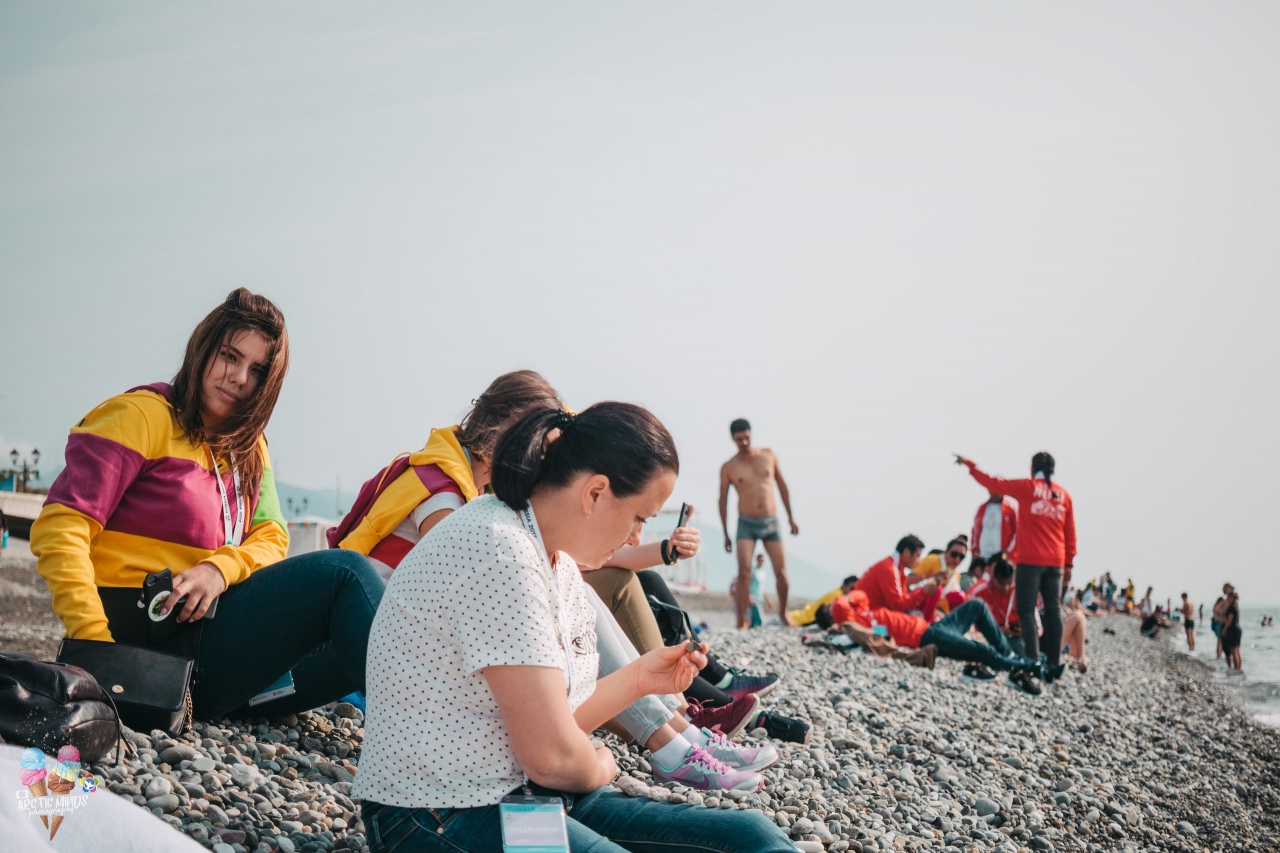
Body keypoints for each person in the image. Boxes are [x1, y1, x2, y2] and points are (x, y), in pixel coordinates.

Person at [353, 402, 796, 852]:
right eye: (640, 517)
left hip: (524, 798)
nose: (635, 538)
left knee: (753, 837)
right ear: (595, 493)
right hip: (439, 813)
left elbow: (557, 723)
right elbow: (553, 758)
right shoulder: (502, 551)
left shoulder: (555, 560)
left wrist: (641, 678)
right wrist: (601, 767)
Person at [31, 289, 383, 718]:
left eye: (256, 370)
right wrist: (95, 645)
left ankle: (436, 729)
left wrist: (219, 569)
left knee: (362, 626)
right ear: (203, 348)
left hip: (207, 638)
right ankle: (422, 736)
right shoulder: (139, 416)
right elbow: (60, 528)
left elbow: (271, 535)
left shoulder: (251, 449)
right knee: (345, 574)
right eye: (229, 356)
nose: (237, 377)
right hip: (139, 634)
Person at [956, 451, 1076, 691]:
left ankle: (1032, 661)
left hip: (1030, 560)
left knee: (1027, 609)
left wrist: (970, 464)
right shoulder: (1064, 495)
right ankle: (1053, 664)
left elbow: (993, 483)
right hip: (1055, 560)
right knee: (1053, 609)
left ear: (1033, 469)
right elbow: (1070, 532)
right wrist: (1069, 563)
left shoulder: (1027, 487)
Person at [829, 590, 1040, 691]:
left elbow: (862, 596)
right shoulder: (850, 623)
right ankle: (1027, 667)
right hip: (928, 638)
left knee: (977, 605)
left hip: (933, 627)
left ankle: (1009, 655)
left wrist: (851, 598)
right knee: (981, 651)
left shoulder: (863, 612)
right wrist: (844, 601)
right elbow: (840, 604)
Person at [719, 418, 799, 628]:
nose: (743, 442)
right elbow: (723, 501)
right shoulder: (729, 467)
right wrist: (726, 533)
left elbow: (782, 486)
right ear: (732, 439)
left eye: (746, 437)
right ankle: (740, 620)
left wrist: (791, 517)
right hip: (746, 523)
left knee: (781, 573)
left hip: (771, 522)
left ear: (751, 434)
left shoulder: (768, 455)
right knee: (744, 572)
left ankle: (783, 613)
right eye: (739, 439)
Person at [853, 534, 937, 614]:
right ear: (907, 552)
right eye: (917, 556)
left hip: (871, 611)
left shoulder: (894, 567)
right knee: (916, 616)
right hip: (866, 614)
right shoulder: (890, 570)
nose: (919, 561)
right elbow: (898, 606)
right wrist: (923, 591)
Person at [967, 552, 1023, 661]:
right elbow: (969, 625)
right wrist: (995, 631)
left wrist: (1023, 630)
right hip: (985, 638)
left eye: (1009, 583)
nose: (1006, 588)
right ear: (993, 578)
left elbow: (1038, 628)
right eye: (1002, 583)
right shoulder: (979, 591)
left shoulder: (1020, 593)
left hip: (1014, 639)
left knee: (1021, 644)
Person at [788, 574, 859, 627]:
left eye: (855, 589)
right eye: (852, 588)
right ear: (844, 585)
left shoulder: (837, 592)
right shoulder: (838, 597)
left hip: (798, 616)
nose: (853, 592)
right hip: (802, 620)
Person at [971, 491, 1018, 559]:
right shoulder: (982, 508)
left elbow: (1018, 534)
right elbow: (975, 531)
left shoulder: (1011, 508)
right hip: (983, 557)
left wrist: (1008, 553)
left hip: (1002, 559)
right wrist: (974, 551)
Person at [1221, 590, 1243, 671]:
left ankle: (1236, 669)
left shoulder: (1232, 607)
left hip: (1233, 630)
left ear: (1231, 597)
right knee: (1237, 651)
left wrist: (1225, 629)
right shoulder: (1236, 605)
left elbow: (1229, 620)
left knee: (1234, 651)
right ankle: (1238, 669)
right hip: (1237, 629)